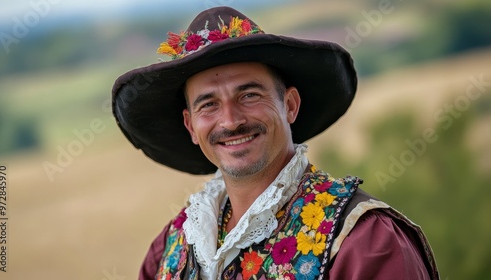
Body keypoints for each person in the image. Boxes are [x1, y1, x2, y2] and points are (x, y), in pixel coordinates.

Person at [112, 6, 439, 280]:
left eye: (249, 94)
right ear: (191, 127)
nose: (230, 120)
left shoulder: (365, 240)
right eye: (208, 104)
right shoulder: (169, 250)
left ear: (290, 105)